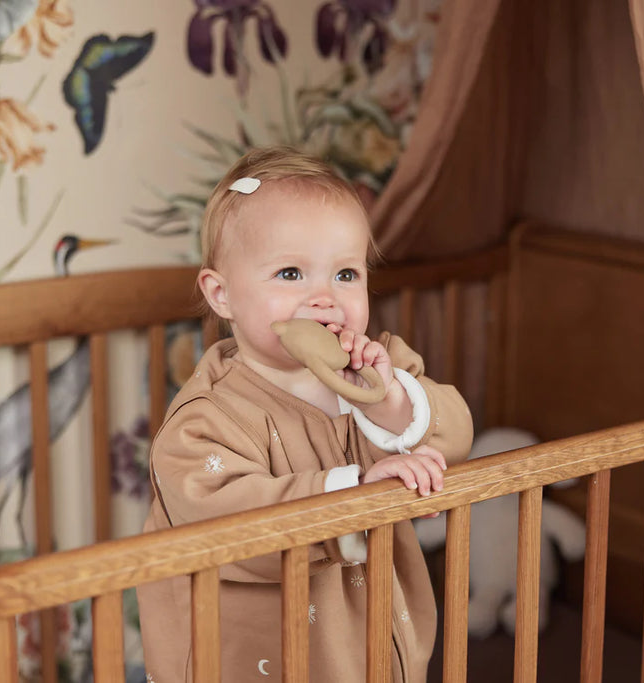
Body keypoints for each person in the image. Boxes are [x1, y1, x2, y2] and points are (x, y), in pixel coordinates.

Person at [137, 145, 474, 682]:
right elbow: (231, 527)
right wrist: (357, 488)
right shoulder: (206, 419)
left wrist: (387, 401)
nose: (325, 299)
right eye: (291, 273)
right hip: (257, 659)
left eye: (345, 274)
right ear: (221, 294)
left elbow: (455, 433)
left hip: (370, 644)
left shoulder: (381, 367)